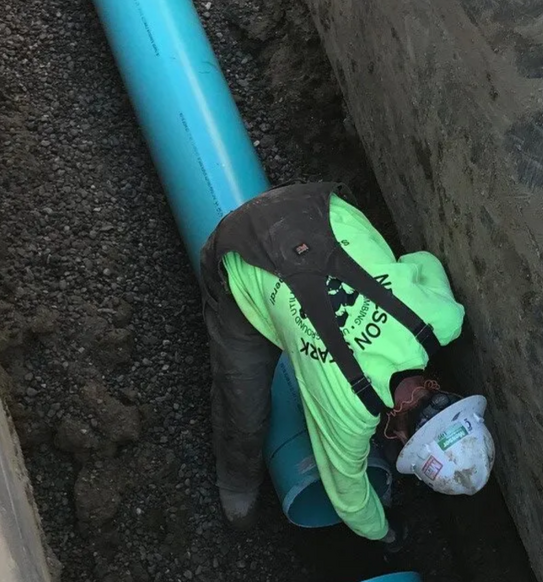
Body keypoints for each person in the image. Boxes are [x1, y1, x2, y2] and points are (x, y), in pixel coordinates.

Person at [199, 182, 494, 540]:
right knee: (242, 402)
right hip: (239, 250)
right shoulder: (349, 413)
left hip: (313, 202)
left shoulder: (442, 319)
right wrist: (387, 531)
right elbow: (349, 499)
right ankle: (236, 488)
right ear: (395, 433)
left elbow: (422, 262)